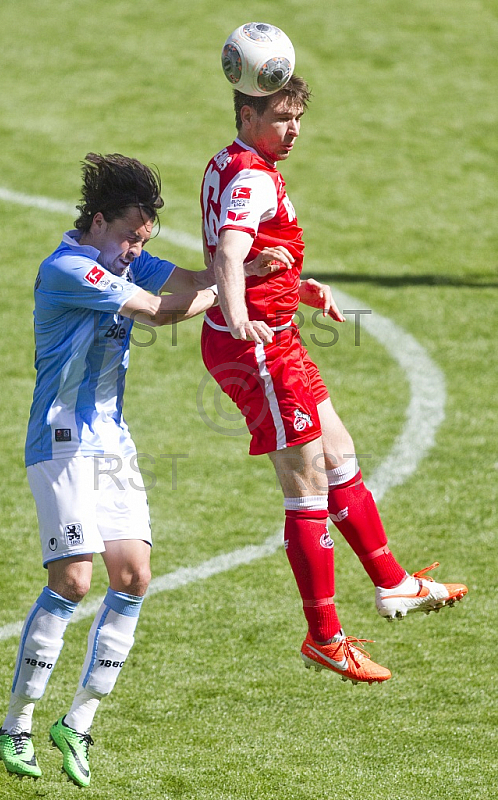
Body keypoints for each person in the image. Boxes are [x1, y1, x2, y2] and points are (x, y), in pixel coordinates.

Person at [200, 75, 468, 685]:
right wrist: (242, 316)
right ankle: (324, 637)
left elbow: (250, 250)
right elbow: (229, 253)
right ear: (247, 115)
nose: (293, 132)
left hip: (278, 336)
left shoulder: (231, 163)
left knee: (340, 454)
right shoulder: (251, 177)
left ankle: (394, 585)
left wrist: (296, 288)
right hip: (258, 348)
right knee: (307, 489)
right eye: (280, 119)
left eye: (297, 119)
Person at [0, 153, 223, 786]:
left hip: (111, 442)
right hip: (61, 439)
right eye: (127, 238)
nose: (134, 251)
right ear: (96, 221)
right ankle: (16, 723)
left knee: (134, 575)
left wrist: (243, 267)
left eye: (141, 240)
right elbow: (161, 309)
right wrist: (224, 290)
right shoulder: (68, 268)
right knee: (73, 579)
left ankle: (79, 723)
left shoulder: (125, 252)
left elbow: (189, 276)